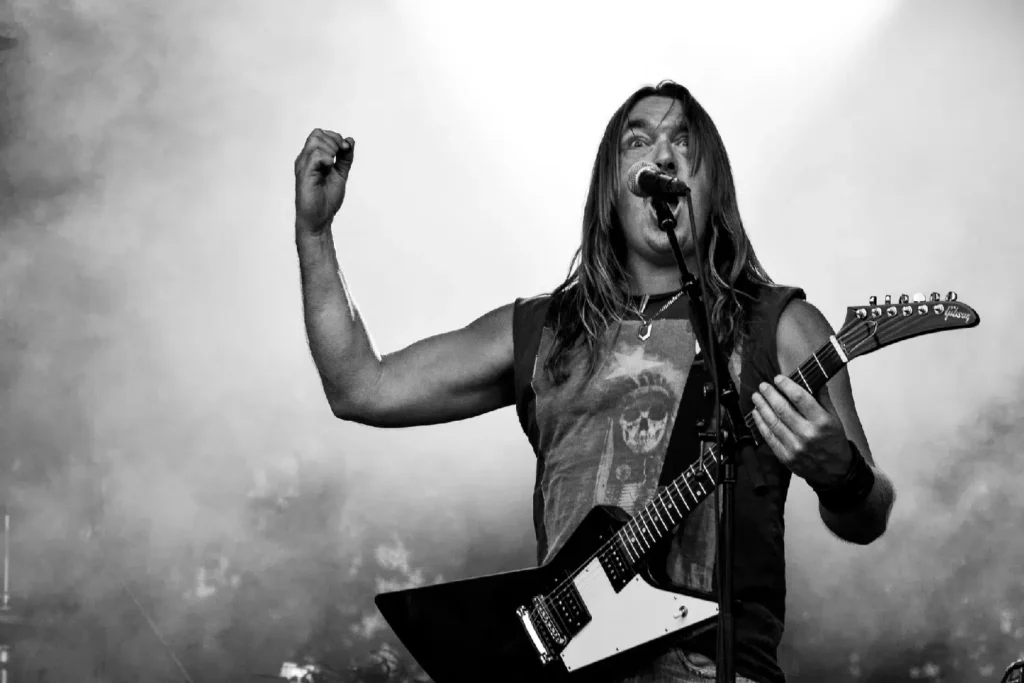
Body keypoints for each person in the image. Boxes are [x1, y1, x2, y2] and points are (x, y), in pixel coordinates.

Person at [292, 81, 896, 683]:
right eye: (639, 141)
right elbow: (361, 388)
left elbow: (867, 518)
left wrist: (837, 473)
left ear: (714, 185)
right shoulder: (543, 329)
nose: (664, 156)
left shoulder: (780, 327)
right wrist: (315, 236)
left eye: (685, 143)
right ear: (612, 187)